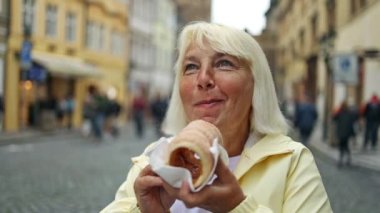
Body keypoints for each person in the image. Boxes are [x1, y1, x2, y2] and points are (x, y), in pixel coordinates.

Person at [101, 22, 331, 212]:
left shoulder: (290, 161)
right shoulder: (153, 162)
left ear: (256, 84)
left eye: (224, 63)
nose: (203, 79)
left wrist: (236, 207)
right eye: (190, 67)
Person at [333, 100, 358, 167]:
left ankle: (341, 160)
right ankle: (347, 159)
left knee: (342, 146)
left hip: (341, 132)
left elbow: (334, 118)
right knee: (345, 145)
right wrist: (353, 134)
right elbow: (352, 123)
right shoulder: (350, 113)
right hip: (347, 133)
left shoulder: (339, 112)